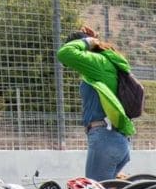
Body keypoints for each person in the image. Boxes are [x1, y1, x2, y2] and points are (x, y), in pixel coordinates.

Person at [57, 26, 135, 181]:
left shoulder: (97, 63)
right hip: (113, 139)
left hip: (105, 139)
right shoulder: (105, 63)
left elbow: (64, 53)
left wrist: (88, 41)